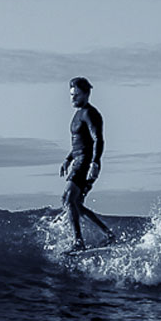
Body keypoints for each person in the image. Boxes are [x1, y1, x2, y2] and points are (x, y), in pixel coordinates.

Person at [60, 76, 115, 251]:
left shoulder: (90, 113)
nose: (72, 98)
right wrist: (68, 159)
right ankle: (108, 234)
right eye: (71, 95)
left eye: (76, 95)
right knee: (75, 204)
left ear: (85, 93)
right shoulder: (78, 114)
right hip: (78, 160)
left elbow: (98, 139)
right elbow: (80, 142)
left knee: (68, 199)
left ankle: (78, 242)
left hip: (85, 163)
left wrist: (95, 163)